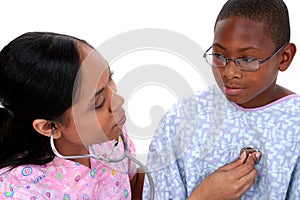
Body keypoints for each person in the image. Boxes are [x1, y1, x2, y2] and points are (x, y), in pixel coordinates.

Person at [0, 31, 259, 200]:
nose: (118, 100)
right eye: (98, 102)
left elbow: (130, 186)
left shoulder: (106, 138)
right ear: (48, 127)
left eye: (111, 80)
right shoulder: (19, 191)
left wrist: (190, 169)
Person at [143, 0, 300, 199]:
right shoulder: (181, 119)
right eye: (219, 55)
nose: (229, 72)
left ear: (284, 57)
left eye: (247, 59)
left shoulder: (295, 125)